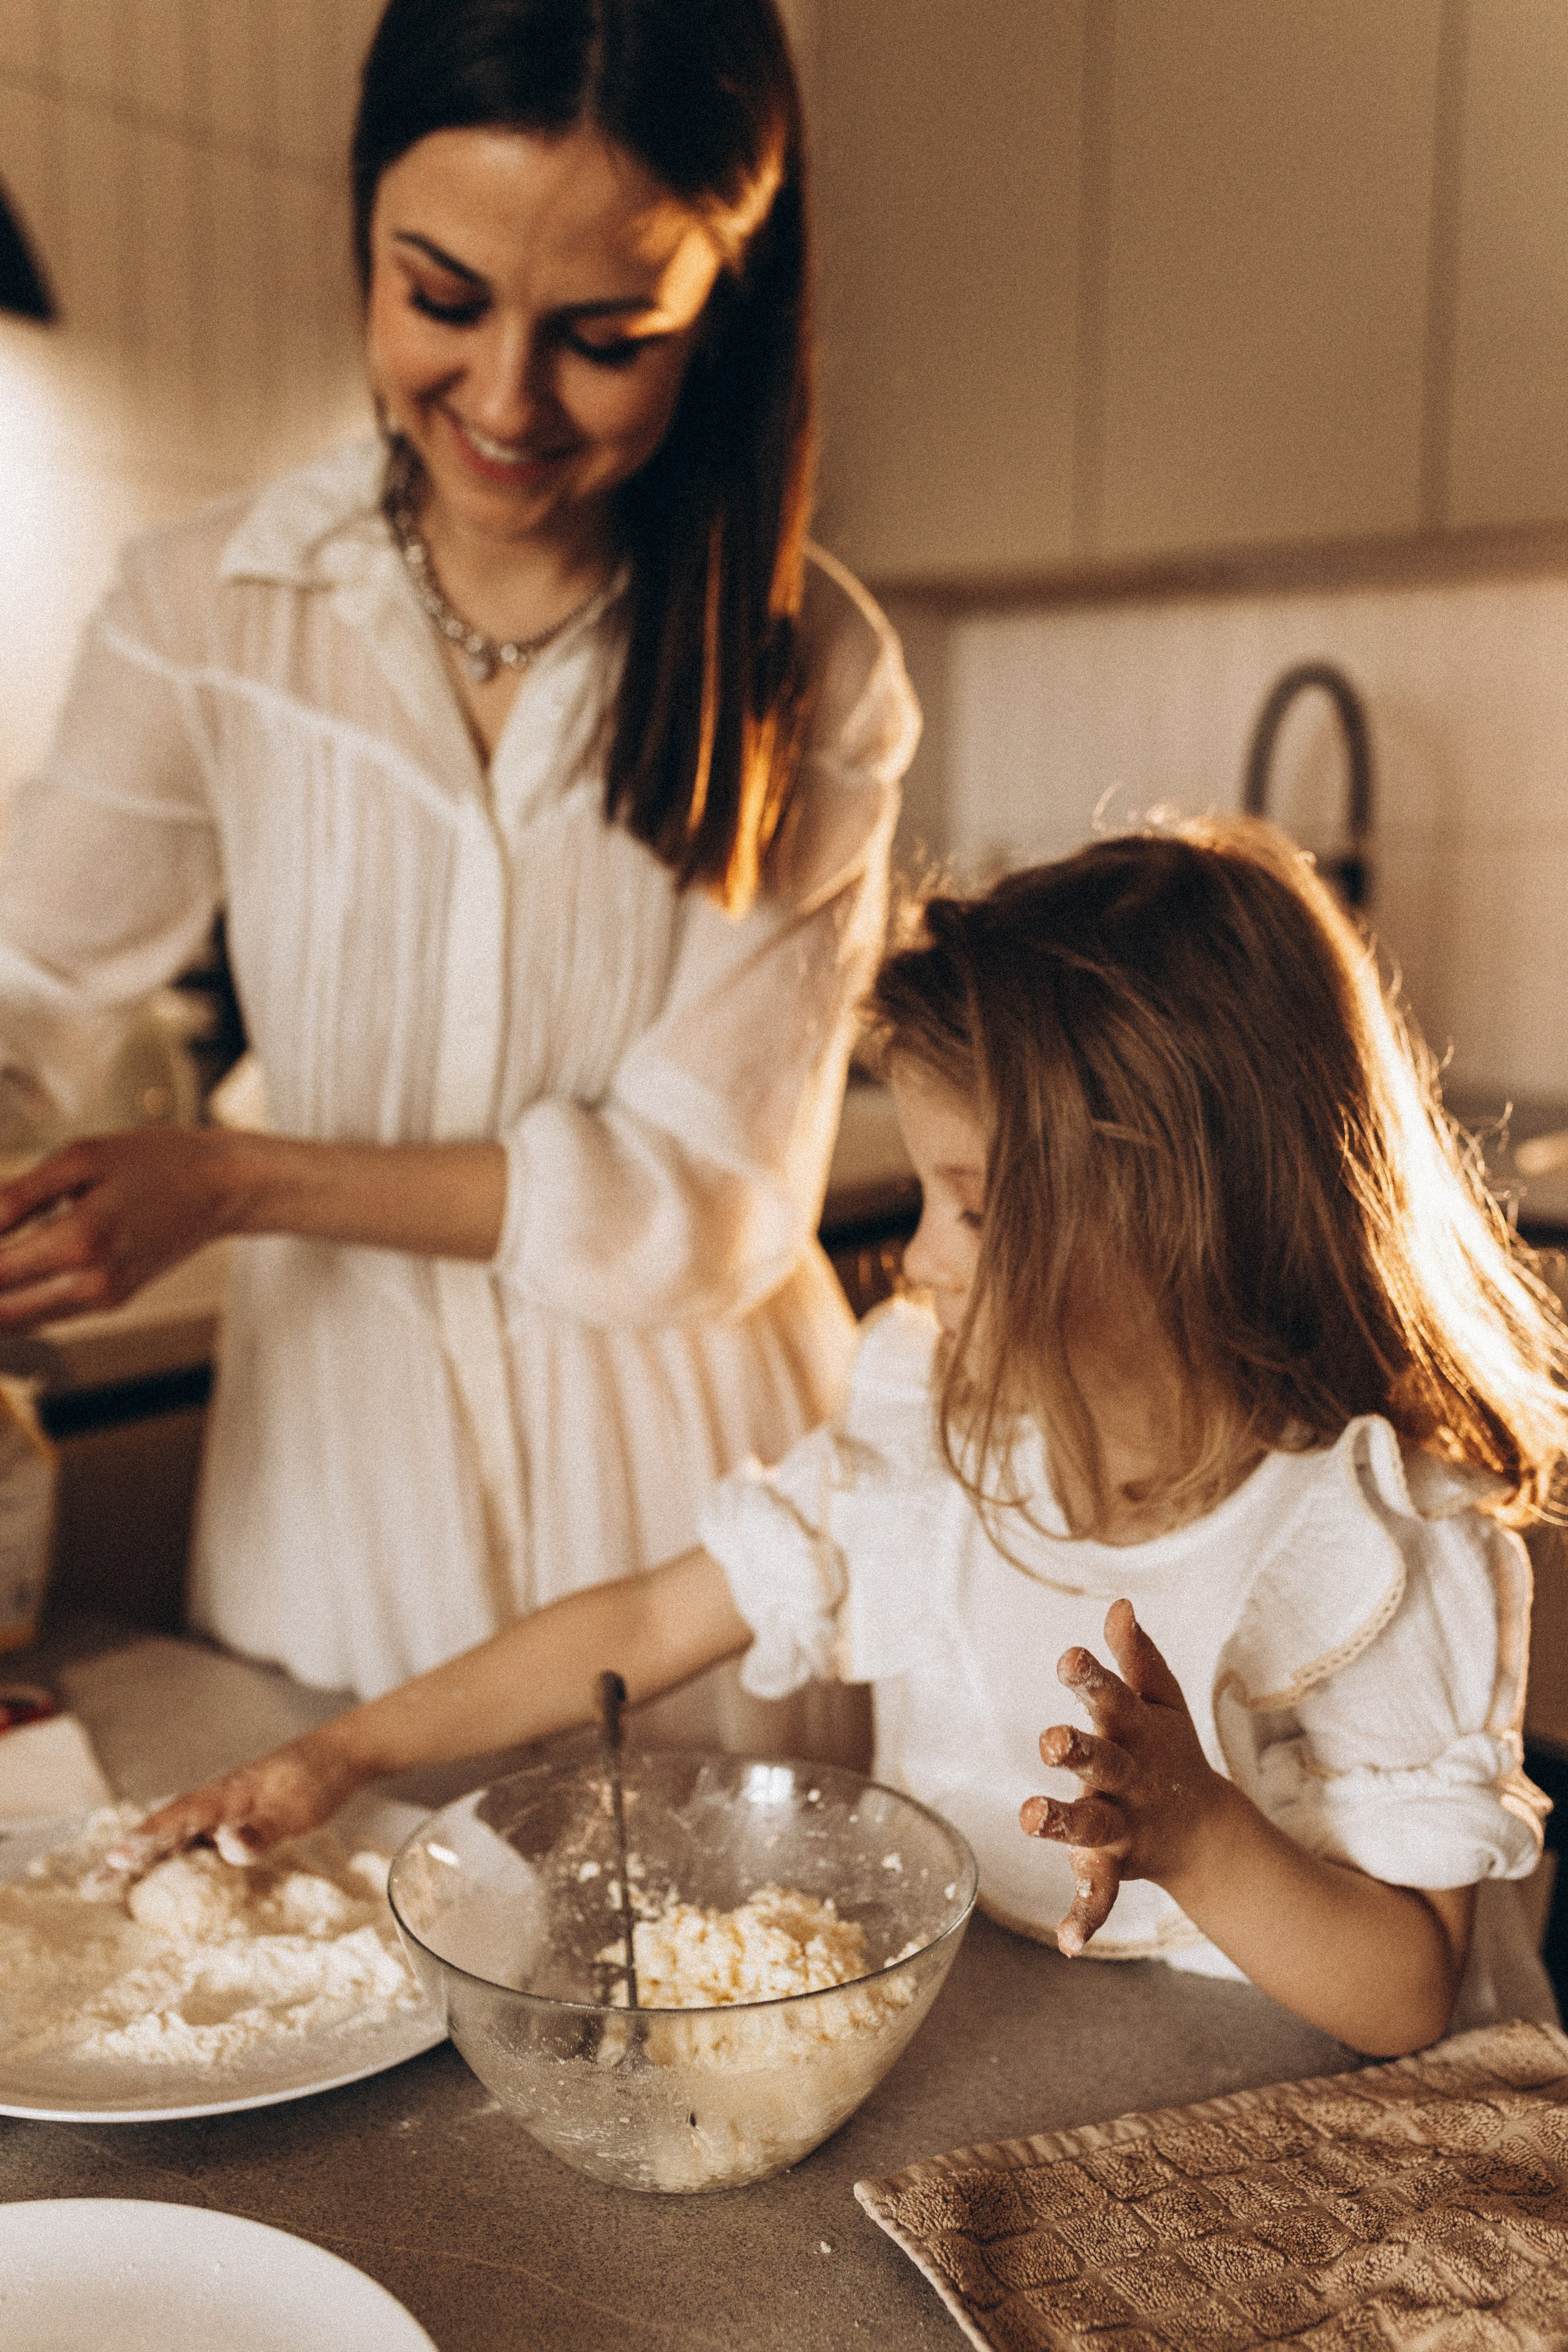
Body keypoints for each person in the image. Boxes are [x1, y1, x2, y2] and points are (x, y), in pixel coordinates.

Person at [132, 817, 1568, 2056]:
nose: (920, 1263)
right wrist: (336, 1759)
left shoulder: (1371, 1535)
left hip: (1263, 2122)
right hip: (995, 2049)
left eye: (972, 1204)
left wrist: (1196, 1832)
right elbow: (641, 1615)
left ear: (1172, 1214)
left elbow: (1400, 1999)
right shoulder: (945, 1442)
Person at [0, 0, 918, 1738]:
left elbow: (706, 1210)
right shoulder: (207, 614)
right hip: (344, 1522)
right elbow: (30, 994)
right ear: (364, 230)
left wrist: (240, 1179)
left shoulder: (818, 673)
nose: (503, 398)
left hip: (698, 1555)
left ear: (721, 312)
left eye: (604, 335)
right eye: (440, 297)